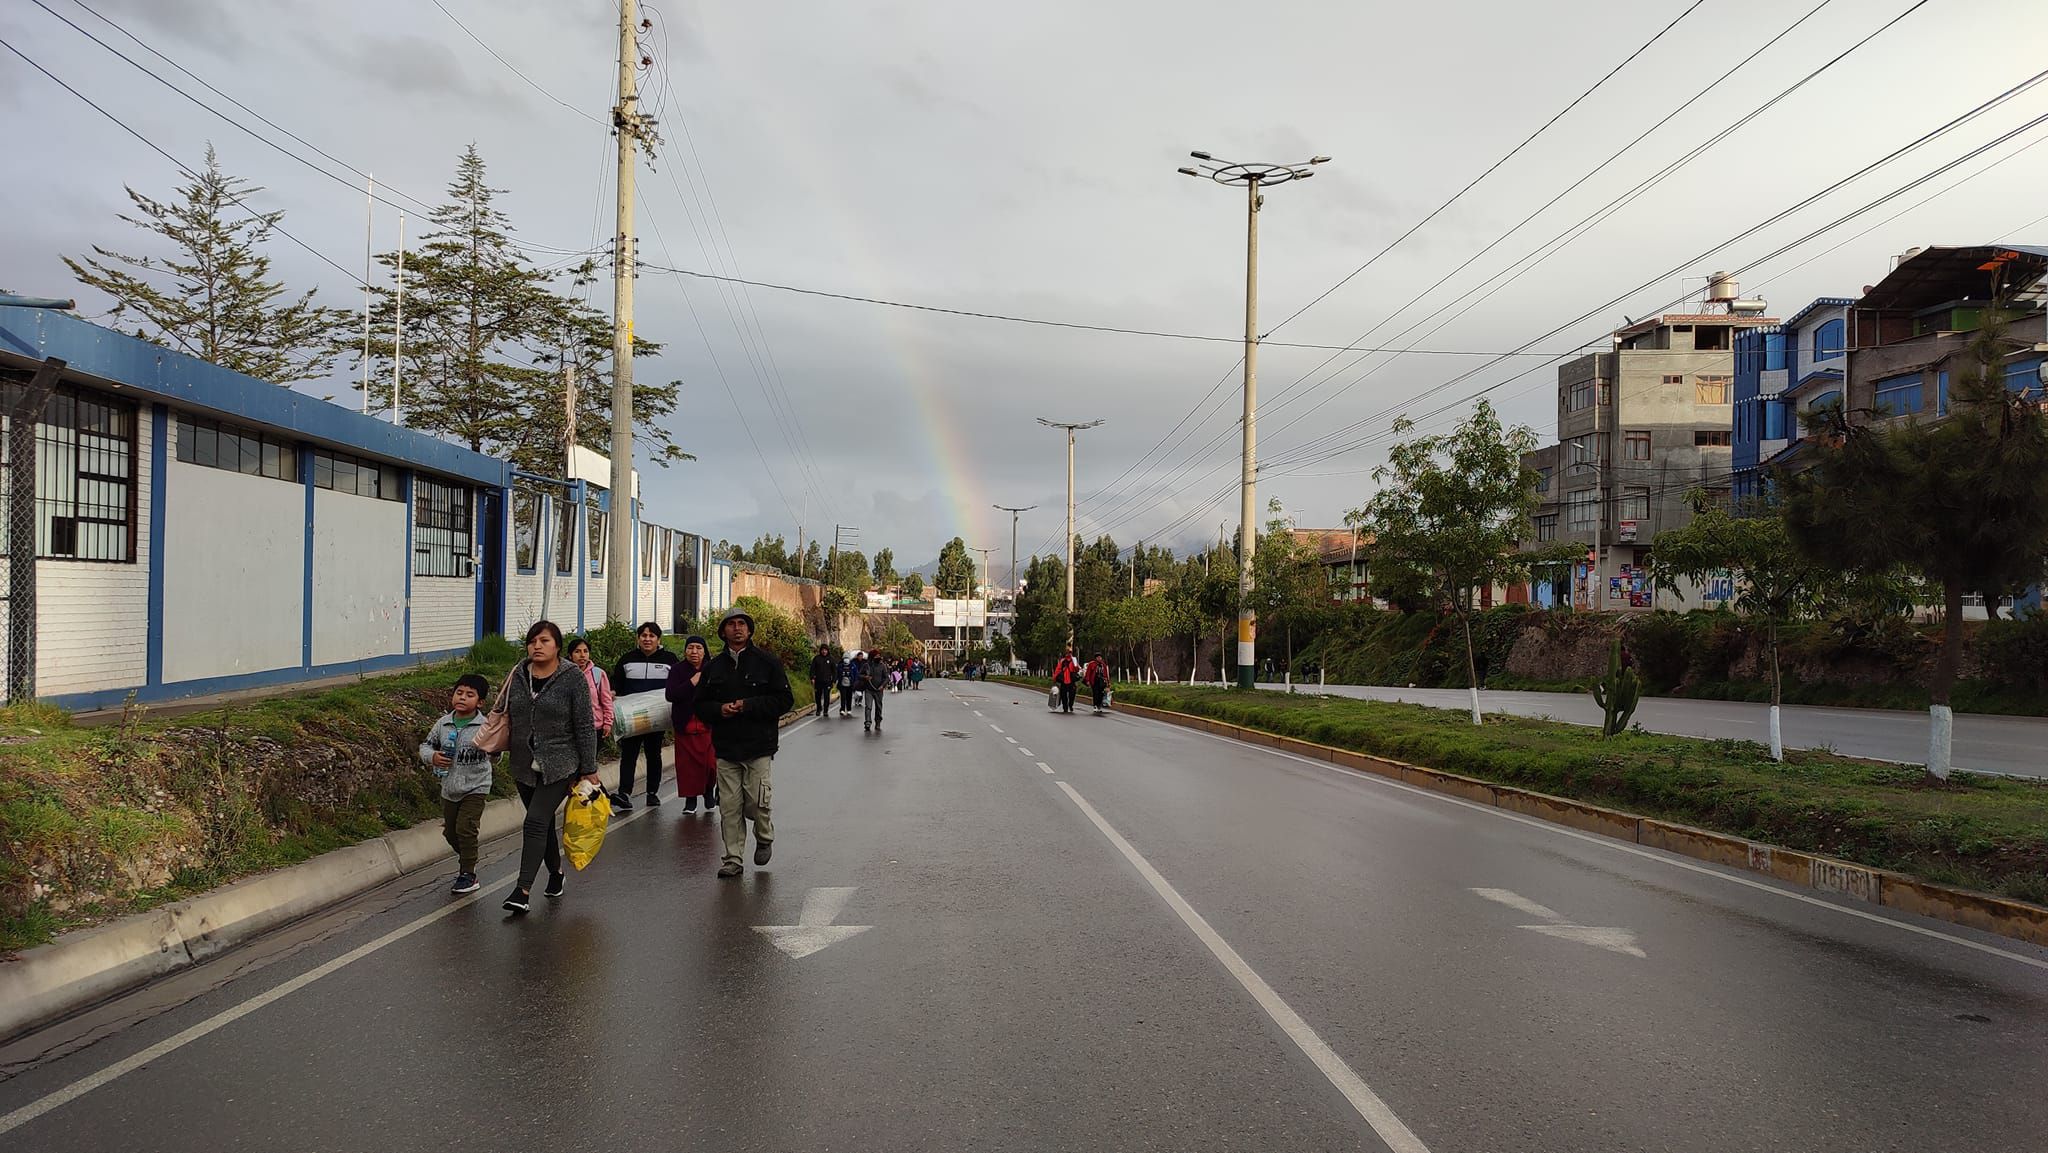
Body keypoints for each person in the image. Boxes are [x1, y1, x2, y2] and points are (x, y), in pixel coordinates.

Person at [500, 620, 600, 915]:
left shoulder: (572, 678)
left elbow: (584, 725)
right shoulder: (518, 674)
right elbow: (505, 713)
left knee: (534, 821)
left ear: (557, 645)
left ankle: (522, 890)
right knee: (540, 824)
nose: (537, 646)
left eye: (544, 641)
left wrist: (589, 767)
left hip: (561, 762)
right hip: (523, 762)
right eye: (532, 641)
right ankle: (556, 873)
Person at [696, 609, 794, 878]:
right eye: (731, 624)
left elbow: (784, 701)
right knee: (729, 807)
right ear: (723, 631)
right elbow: (700, 705)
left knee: (756, 803)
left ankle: (764, 835)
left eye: (741, 624)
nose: (737, 629)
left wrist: (749, 705)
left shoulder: (768, 663)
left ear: (749, 630)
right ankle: (733, 859)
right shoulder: (713, 668)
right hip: (726, 748)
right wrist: (720, 710)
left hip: (759, 746)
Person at [420, 672, 493, 896]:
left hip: (476, 786)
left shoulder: (485, 725)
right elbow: (426, 746)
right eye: (459, 693)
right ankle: (467, 858)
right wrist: (432, 757)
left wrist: (491, 748)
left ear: (479, 702)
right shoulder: (443, 723)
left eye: (469, 695)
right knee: (451, 833)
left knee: (466, 828)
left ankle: (467, 873)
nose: (462, 698)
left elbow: (497, 752)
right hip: (449, 787)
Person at [610, 622, 680, 811]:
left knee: (653, 754)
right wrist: (613, 692)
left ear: (659, 639)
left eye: (651, 636)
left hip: (656, 718)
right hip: (632, 718)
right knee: (629, 755)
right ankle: (624, 793)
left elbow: (677, 685)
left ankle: (652, 793)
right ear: (638, 638)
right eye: (643, 636)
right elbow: (616, 683)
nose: (647, 639)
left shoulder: (670, 660)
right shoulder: (627, 659)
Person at [665, 635, 719, 813]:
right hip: (685, 726)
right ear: (685, 650)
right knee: (688, 767)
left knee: (711, 765)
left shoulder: (712, 669)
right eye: (690, 648)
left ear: (705, 651)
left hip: (708, 726)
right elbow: (671, 695)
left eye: (698, 648)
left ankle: (708, 791)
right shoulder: (677, 670)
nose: (694, 652)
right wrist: (691, 682)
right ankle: (690, 800)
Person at [566, 637, 615, 744]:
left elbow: (607, 701)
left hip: (594, 728)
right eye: (577, 651)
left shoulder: (598, 674)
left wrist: (608, 723)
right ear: (570, 655)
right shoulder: (564, 676)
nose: (582, 655)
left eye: (585, 651)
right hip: (570, 731)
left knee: (590, 760)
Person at [863, 650, 890, 731]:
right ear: (872, 657)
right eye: (876, 656)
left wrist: (882, 686)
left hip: (879, 691)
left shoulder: (883, 666)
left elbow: (886, 677)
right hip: (869, 690)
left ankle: (878, 722)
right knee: (868, 706)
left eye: (879, 655)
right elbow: (859, 674)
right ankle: (867, 722)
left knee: (878, 707)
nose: (878, 657)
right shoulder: (866, 665)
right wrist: (865, 677)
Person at [809, 646, 837, 718]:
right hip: (818, 681)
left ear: (828, 651)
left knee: (826, 696)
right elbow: (812, 669)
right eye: (823, 650)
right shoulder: (817, 658)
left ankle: (825, 711)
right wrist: (812, 678)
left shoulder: (831, 659)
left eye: (825, 650)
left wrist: (834, 680)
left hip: (828, 681)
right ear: (821, 651)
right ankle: (818, 708)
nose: (824, 651)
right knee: (818, 696)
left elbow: (834, 671)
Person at [1052, 646, 1081, 714]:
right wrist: (1054, 678)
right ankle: (1065, 707)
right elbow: (1057, 670)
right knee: (1063, 695)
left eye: (1070, 653)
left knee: (1072, 695)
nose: (1069, 654)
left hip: (1072, 680)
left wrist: (1076, 666)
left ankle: (1070, 705)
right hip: (1064, 680)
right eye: (1067, 653)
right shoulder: (1062, 661)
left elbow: (1078, 669)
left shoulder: (1074, 660)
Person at [838, 650, 858, 717]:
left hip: (850, 684)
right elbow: (837, 674)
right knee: (843, 697)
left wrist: (855, 683)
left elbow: (856, 675)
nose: (846, 660)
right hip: (842, 684)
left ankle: (849, 709)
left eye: (847, 658)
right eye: (845, 658)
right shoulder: (840, 666)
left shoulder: (853, 666)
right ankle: (842, 709)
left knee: (849, 697)